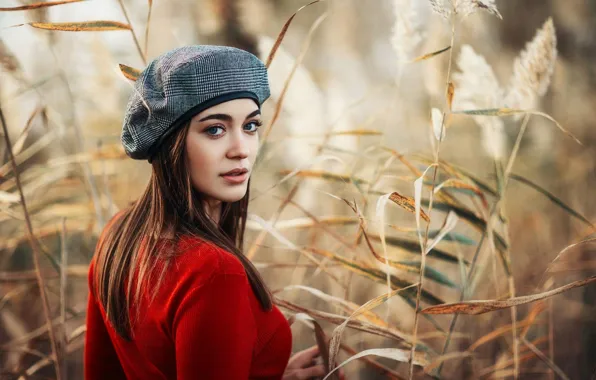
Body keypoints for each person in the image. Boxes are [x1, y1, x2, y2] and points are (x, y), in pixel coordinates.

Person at [84, 45, 341, 379]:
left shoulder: (119, 234)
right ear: (171, 143)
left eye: (250, 126)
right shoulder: (214, 272)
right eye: (215, 129)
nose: (241, 150)